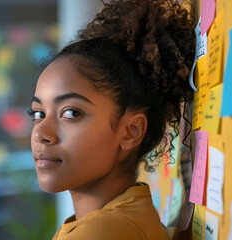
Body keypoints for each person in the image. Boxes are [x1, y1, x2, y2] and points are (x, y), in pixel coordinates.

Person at [28, 0, 195, 239]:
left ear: (131, 131)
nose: (40, 133)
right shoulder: (121, 220)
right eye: (38, 114)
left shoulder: (102, 232)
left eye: (71, 113)